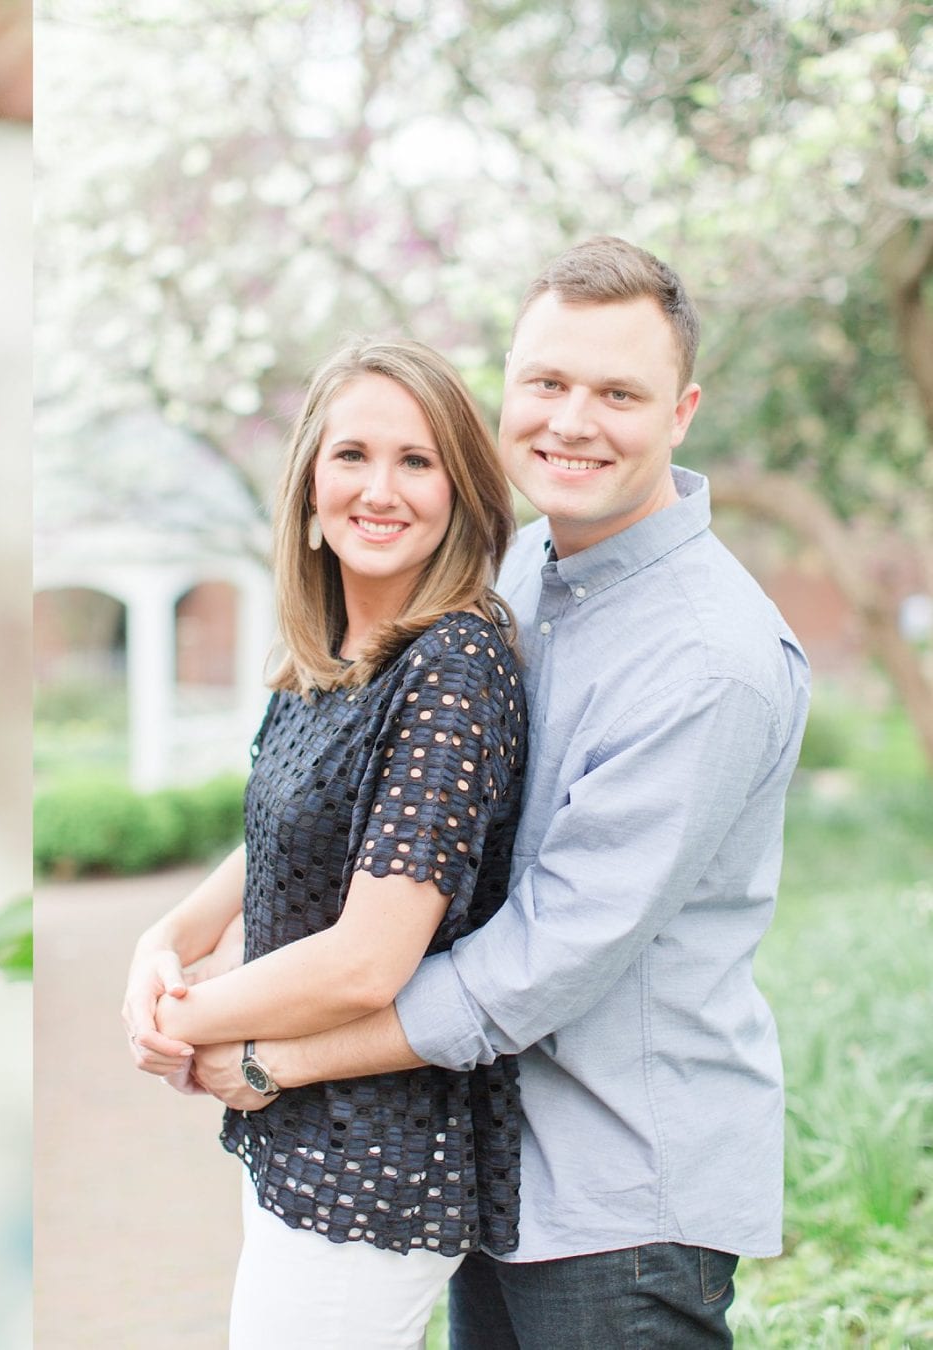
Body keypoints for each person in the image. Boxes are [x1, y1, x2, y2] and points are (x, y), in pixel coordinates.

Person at [179, 237, 813, 1347]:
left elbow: (538, 964)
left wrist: (279, 1059)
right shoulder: (515, 571)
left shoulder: (711, 660)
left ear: (683, 411)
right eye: (549, 383)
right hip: (495, 1175)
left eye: (619, 392)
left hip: (623, 1202)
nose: (574, 420)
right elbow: (383, 797)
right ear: (508, 389)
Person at [122, 336, 528, 1348]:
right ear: (308, 486)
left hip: (381, 1159)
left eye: (417, 460)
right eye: (352, 456)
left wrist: (189, 1017)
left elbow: (368, 960)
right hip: (298, 1133)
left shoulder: (453, 666)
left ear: (459, 496)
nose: (379, 488)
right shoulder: (327, 659)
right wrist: (162, 941)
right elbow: (287, 835)